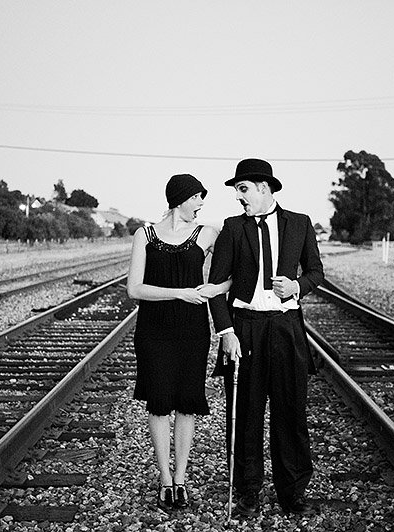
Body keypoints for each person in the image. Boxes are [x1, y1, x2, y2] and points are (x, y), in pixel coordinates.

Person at [208, 158, 324, 518]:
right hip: (245, 328)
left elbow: (317, 272)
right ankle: (248, 491)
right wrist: (226, 332)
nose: (238, 197)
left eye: (242, 189)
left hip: (287, 328)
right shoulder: (232, 228)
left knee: (290, 412)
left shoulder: (300, 224)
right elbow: (215, 288)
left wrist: (297, 286)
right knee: (245, 414)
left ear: (263, 187)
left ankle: (292, 492)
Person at [127, 173, 228, 512]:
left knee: (187, 403)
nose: (201, 204)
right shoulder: (145, 235)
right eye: (198, 197)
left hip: (192, 330)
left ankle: (181, 480)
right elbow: (135, 290)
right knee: (157, 403)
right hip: (154, 331)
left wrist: (215, 289)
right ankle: (165, 479)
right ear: (181, 198)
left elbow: (238, 267)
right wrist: (180, 293)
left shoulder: (207, 234)